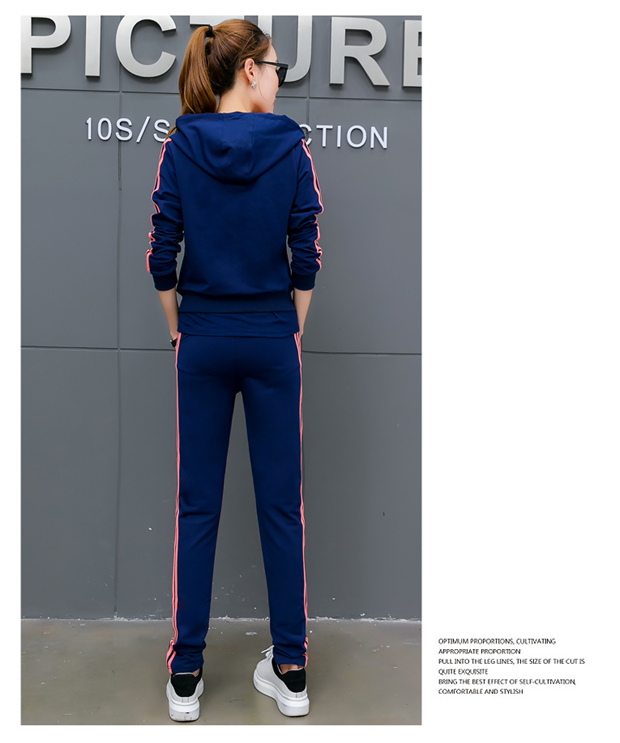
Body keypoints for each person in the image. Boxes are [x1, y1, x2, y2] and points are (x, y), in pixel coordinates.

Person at [145, 20, 324, 722]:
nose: (279, 79)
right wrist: (289, 326)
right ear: (249, 71)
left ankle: (186, 673)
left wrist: (178, 329)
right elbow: (307, 250)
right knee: (282, 506)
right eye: (276, 67)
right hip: (272, 337)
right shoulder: (291, 147)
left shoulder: (180, 145)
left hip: (204, 339)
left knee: (197, 506)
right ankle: (291, 668)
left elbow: (162, 250)